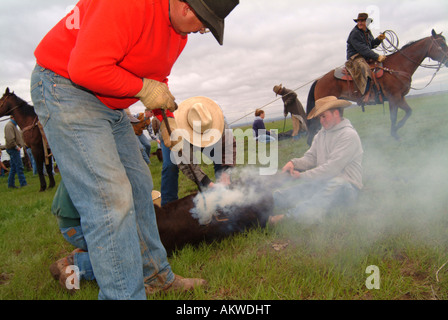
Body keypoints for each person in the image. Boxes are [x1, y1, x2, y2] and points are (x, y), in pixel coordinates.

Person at [31, 0, 239, 300]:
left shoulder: (177, 36)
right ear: (185, 6)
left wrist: (167, 121)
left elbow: (157, 83)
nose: (203, 30)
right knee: (110, 199)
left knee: (140, 186)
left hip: (110, 101)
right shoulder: (129, 4)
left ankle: (155, 276)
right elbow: (84, 68)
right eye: (205, 23)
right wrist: (142, 89)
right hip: (64, 87)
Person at [271, 96, 363, 224]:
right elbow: (311, 158)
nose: (321, 120)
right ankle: (268, 202)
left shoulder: (348, 135)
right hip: (324, 181)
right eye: (320, 117)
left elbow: (332, 169)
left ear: (336, 113)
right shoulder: (321, 134)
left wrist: (302, 176)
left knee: (335, 184)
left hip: (347, 187)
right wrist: (293, 163)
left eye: (324, 116)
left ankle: (288, 218)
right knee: (301, 189)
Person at [346, 13, 386, 100]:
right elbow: (363, 49)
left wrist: (379, 39)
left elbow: (370, 45)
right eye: (359, 21)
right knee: (366, 69)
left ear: (367, 22)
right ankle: (365, 94)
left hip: (364, 56)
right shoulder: (355, 33)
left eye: (362, 21)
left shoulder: (367, 32)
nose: (360, 23)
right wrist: (377, 56)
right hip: (355, 57)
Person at [4, 115, 27, 189]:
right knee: (19, 166)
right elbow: (10, 139)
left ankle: (11, 184)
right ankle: (23, 183)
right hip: (13, 149)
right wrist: (16, 146)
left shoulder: (12, 125)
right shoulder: (9, 126)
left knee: (14, 167)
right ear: (13, 117)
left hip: (14, 149)